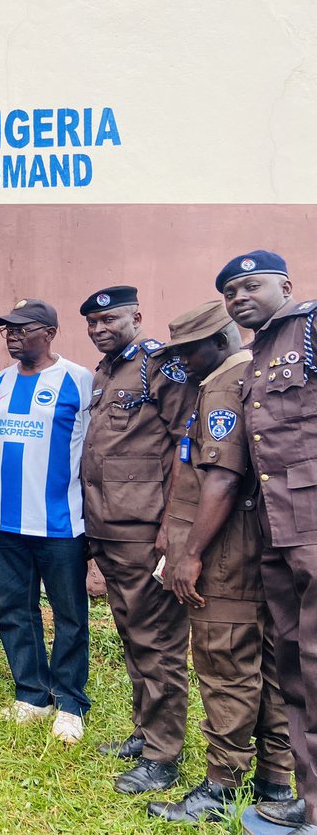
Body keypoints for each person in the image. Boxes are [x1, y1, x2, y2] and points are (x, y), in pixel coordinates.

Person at [144, 301, 293, 822]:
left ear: (224, 340)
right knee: (267, 664)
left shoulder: (227, 386)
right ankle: (276, 780)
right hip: (247, 549)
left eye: (191, 350)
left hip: (223, 555)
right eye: (177, 351)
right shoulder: (230, 379)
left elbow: (223, 479)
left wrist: (191, 555)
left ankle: (223, 785)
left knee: (224, 663)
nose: (182, 361)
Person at [77, 285, 195, 793]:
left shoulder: (158, 366)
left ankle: (164, 756)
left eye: (109, 320)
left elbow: (184, 446)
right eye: (92, 323)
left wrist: (172, 525)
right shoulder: (106, 371)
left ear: (137, 317)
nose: (99, 329)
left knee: (159, 642)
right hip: (108, 526)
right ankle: (145, 733)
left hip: (146, 530)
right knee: (132, 635)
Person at [217, 250, 317, 833]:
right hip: (278, 532)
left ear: (284, 283)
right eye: (231, 293)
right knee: (297, 669)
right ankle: (308, 798)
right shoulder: (256, 357)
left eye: (251, 286)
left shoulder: (310, 327)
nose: (240, 298)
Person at [0, 299, 93, 744]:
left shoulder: (78, 380)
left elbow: (93, 451)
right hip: (6, 521)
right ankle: (31, 694)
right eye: (7, 328)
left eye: (23, 328)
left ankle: (70, 702)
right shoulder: (0, 382)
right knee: (14, 609)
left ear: (50, 332)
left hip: (61, 522)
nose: (12, 334)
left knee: (69, 614)